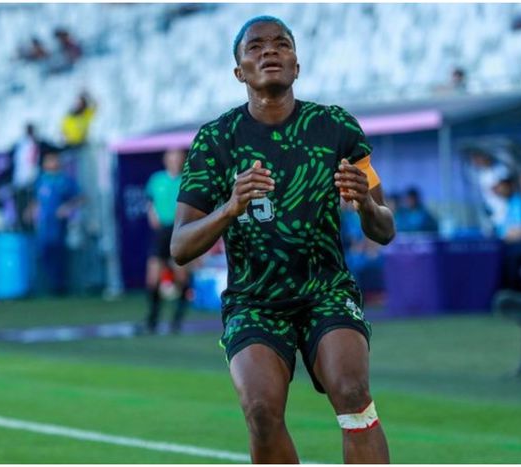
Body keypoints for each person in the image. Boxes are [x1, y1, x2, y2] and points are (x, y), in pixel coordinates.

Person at [170, 16, 394, 463]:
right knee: (260, 412)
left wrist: (366, 205)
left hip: (326, 291)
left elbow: (385, 229)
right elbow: (180, 246)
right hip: (254, 300)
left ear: (297, 64)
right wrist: (230, 207)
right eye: (255, 47)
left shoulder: (337, 126)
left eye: (281, 44)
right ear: (239, 72)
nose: (269, 51)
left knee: (353, 393)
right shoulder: (216, 140)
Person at [143, 149, 192, 334]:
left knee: (181, 276)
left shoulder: (187, 179)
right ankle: (152, 320)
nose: (175, 161)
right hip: (161, 232)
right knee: (153, 277)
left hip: (179, 230)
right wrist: (152, 214)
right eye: (172, 158)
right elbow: (150, 202)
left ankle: (176, 321)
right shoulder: (157, 179)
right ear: (166, 160)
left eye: (178, 158)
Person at [30, 152, 83, 296]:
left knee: (58, 254)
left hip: (58, 224)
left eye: (53, 161)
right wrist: (32, 211)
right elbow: (36, 200)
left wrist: (67, 208)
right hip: (44, 224)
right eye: (48, 161)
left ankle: (60, 286)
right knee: (45, 253)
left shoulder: (64, 181)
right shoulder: (41, 181)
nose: (51, 164)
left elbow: (80, 198)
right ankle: (48, 285)